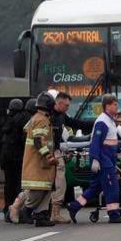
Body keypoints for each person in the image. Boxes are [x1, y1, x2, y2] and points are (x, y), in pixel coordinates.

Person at [67, 94, 121, 224]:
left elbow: (109, 141)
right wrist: (95, 159)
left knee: (95, 188)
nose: (117, 106)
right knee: (112, 186)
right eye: (115, 104)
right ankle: (114, 215)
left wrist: (120, 148)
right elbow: (95, 142)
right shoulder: (103, 122)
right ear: (107, 106)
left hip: (106, 158)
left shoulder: (109, 120)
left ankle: (74, 206)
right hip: (103, 160)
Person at [47, 90, 94, 224]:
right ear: (59, 103)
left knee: (59, 182)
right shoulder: (48, 116)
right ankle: (17, 206)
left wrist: (94, 123)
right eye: (66, 105)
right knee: (43, 185)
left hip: (55, 151)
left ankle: (54, 213)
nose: (68, 108)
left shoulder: (61, 115)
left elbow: (75, 123)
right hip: (47, 152)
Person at [21, 92, 58, 227]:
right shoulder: (41, 119)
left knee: (46, 189)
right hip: (40, 161)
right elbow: (38, 141)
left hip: (43, 162)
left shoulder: (38, 118)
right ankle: (26, 211)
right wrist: (48, 156)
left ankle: (41, 216)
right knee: (38, 190)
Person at [8, 98, 37, 224]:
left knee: (22, 186)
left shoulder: (12, 120)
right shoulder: (29, 120)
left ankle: (15, 208)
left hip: (12, 158)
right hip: (24, 158)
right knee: (32, 186)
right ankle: (18, 208)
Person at [0, 99, 29, 223]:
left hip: (6, 158)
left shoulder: (7, 120)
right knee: (19, 184)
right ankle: (18, 210)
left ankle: (7, 209)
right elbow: (24, 140)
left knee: (8, 185)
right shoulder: (22, 119)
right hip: (17, 157)